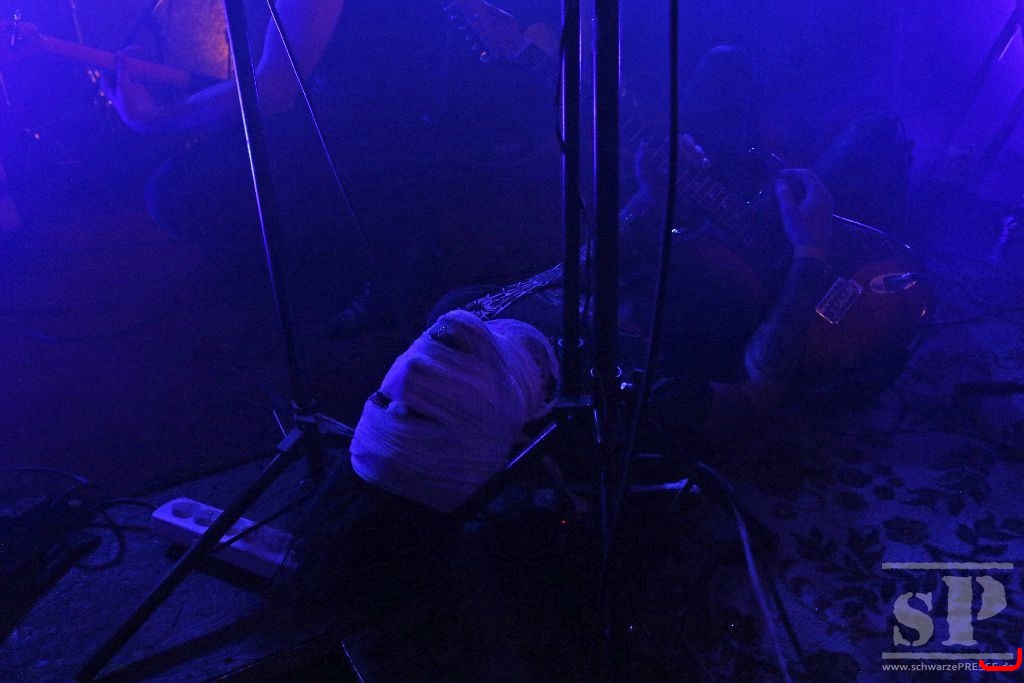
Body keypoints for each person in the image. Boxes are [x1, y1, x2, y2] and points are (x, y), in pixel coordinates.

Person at [102, 0, 562, 333]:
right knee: (201, 146)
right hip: (387, 113)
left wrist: (156, 119)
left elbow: (277, 89)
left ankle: (361, 271)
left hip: (393, 133)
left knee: (180, 191)